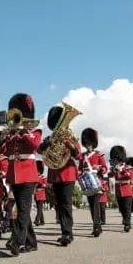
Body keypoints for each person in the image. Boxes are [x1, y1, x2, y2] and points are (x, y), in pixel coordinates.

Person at [1, 93, 42, 256]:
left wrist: (23, 130)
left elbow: (34, 144)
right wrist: (4, 138)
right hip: (14, 175)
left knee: (23, 211)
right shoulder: (12, 134)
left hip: (28, 174)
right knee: (23, 211)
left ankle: (17, 241)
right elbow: (5, 152)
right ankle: (31, 242)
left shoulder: (35, 131)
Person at [39, 105, 82, 246]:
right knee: (58, 204)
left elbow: (79, 156)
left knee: (66, 204)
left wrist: (71, 146)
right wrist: (47, 143)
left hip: (68, 174)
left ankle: (67, 233)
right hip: (55, 174)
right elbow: (39, 150)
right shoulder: (49, 137)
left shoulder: (70, 136)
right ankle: (64, 231)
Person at [79, 127, 107, 237]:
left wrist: (99, 167)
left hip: (96, 181)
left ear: (93, 144)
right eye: (86, 143)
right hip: (87, 182)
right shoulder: (83, 156)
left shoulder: (99, 155)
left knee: (95, 205)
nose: (88, 145)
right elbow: (80, 168)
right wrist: (79, 173)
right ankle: (97, 226)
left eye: (90, 143)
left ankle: (96, 227)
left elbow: (105, 168)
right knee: (91, 206)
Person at [109, 146, 133, 232]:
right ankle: (125, 219)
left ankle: (127, 224)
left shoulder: (128, 168)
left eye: (118, 159)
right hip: (118, 191)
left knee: (127, 208)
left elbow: (129, 175)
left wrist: (119, 170)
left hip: (126, 190)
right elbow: (110, 176)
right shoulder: (113, 168)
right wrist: (113, 171)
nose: (117, 161)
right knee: (122, 208)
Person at [33, 162, 47, 226]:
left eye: (38, 171)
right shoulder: (35, 177)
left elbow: (45, 185)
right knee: (39, 208)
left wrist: (40, 184)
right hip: (36, 195)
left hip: (41, 195)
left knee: (39, 208)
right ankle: (42, 221)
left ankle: (36, 220)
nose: (37, 172)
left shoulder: (43, 177)